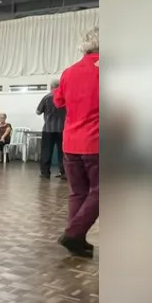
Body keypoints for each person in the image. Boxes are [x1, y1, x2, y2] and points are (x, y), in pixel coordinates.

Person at [54, 28, 100, 258]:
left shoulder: (68, 72)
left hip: (71, 142)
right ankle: (73, 233)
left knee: (78, 193)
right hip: (97, 142)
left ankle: (77, 241)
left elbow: (59, 101)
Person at [37, 79, 67, 179]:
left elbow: (38, 111)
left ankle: (45, 173)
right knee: (62, 151)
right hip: (62, 129)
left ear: (51, 86)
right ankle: (64, 172)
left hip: (48, 129)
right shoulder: (65, 97)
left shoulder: (46, 97)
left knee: (46, 150)